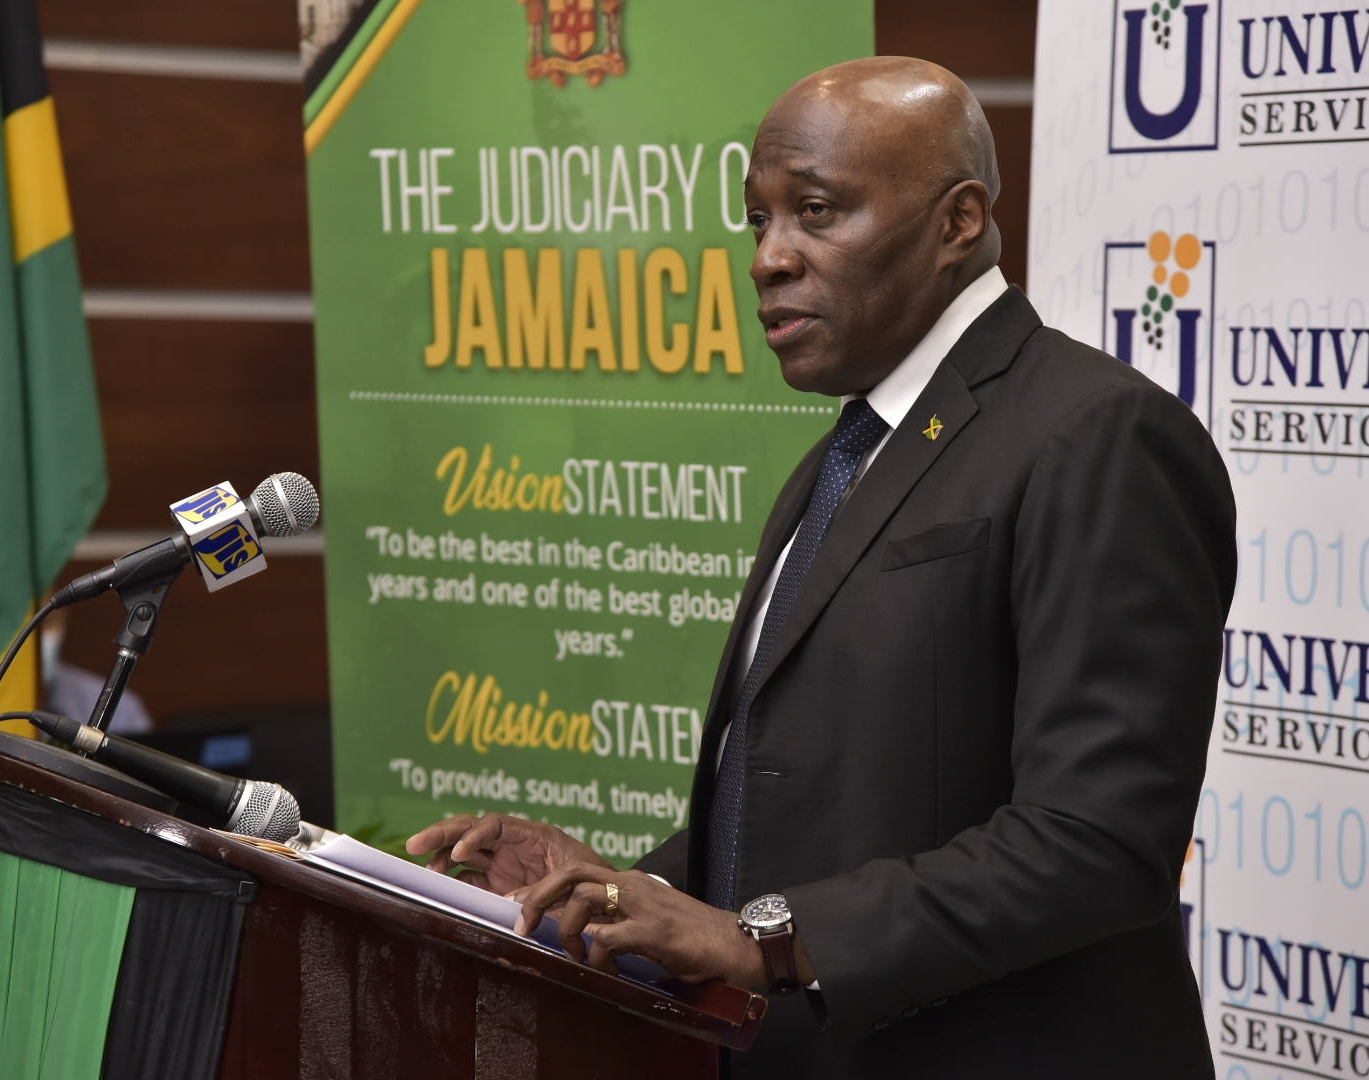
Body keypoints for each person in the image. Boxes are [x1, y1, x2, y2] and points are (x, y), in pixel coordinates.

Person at [408, 56, 1236, 1077]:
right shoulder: (845, 453)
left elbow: (1097, 845)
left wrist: (765, 940)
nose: (769, 259)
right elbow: (828, 806)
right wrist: (621, 889)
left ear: (959, 222)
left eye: (815, 211)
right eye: (758, 221)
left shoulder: (1098, 435)